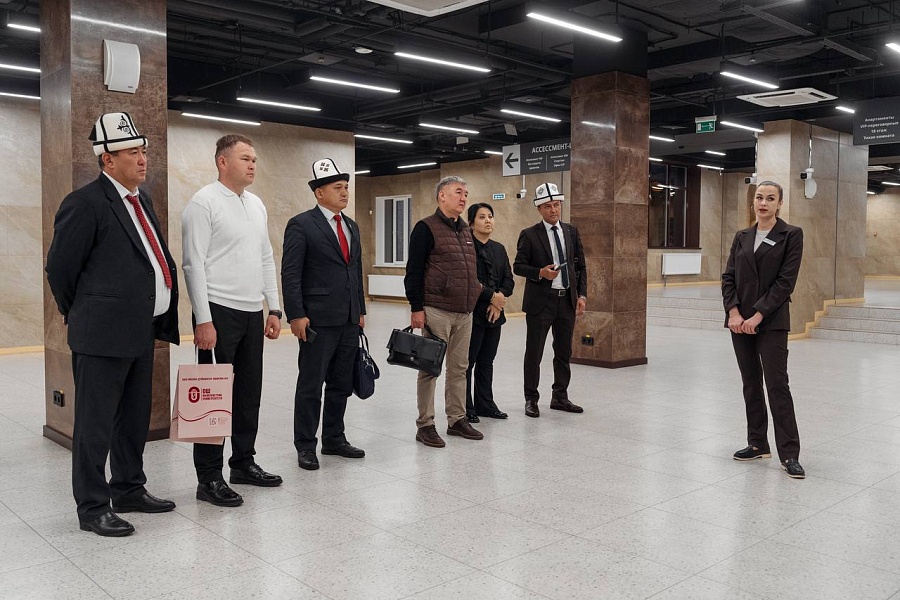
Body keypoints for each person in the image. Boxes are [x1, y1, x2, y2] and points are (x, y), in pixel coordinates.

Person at [46, 112, 179, 537]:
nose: (142, 160)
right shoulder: (84, 203)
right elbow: (60, 269)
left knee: (134, 419)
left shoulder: (143, 201)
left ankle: (129, 488)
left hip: (141, 330)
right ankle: (92, 506)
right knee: (95, 424)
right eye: (132, 153)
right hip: (101, 334)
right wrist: (80, 309)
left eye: (143, 152)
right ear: (107, 160)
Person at [181, 134, 284, 507]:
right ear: (223, 162)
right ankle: (209, 477)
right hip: (217, 310)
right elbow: (193, 264)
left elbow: (266, 257)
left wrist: (274, 308)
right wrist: (203, 319)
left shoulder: (256, 204)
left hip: (251, 311)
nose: (252, 165)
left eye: (254, 159)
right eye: (245, 158)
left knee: (247, 394)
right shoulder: (203, 203)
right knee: (212, 396)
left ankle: (243, 462)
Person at [282, 158, 366, 471]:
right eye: (337, 188)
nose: (345, 193)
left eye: (346, 187)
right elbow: (291, 273)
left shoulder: (352, 226)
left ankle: (334, 438)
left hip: (348, 319)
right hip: (316, 319)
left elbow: (355, 269)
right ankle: (306, 445)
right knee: (311, 384)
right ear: (319, 193)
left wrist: (360, 309)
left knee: (341, 383)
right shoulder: (301, 224)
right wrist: (296, 314)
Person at [722, 180, 805, 479]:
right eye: (759, 197)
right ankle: (757, 443)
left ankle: (790, 453)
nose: (763, 203)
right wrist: (733, 312)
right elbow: (728, 277)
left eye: (770, 198)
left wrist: (757, 315)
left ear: (779, 203)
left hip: (771, 321)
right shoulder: (742, 236)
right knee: (750, 383)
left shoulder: (791, 234)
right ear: (753, 202)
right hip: (739, 322)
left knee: (777, 385)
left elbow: (785, 282)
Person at [404, 175, 484, 448]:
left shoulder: (466, 231)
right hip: (436, 309)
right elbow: (414, 271)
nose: (464, 198)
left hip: (464, 311)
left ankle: (457, 419)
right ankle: (425, 425)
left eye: (466, 194)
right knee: (429, 369)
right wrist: (416, 308)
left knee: (460, 368)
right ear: (442, 196)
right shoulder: (425, 228)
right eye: (458, 192)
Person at [513, 182, 587, 418]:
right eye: (547, 206)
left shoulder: (571, 231)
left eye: (556, 205)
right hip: (541, 303)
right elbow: (518, 266)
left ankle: (560, 396)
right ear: (539, 209)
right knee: (534, 353)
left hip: (566, 301)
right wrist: (540, 273)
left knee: (563, 352)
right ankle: (531, 399)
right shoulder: (529, 234)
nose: (553, 210)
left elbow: (581, 267)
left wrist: (581, 295)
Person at [465, 202, 514, 422]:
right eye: (482, 217)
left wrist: (498, 300)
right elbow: (469, 281)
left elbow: (508, 280)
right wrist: (491, 298)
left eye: (490, 216)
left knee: (487, 361)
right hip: (473, 313)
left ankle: (485, 404)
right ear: (471, 223)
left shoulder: (499, 249)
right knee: (468, 362)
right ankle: (466, 406)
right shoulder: (466, 247)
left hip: (495, 314)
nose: (488, 221)